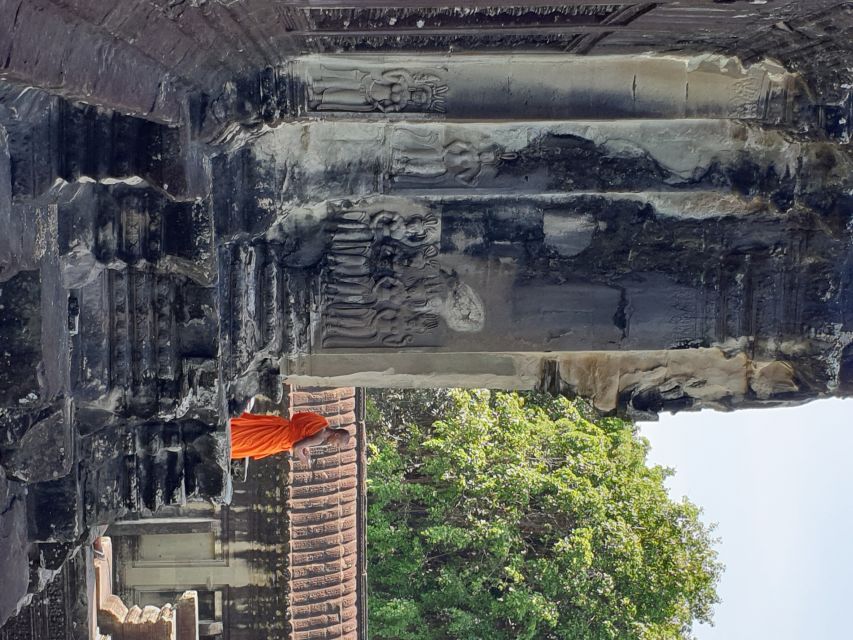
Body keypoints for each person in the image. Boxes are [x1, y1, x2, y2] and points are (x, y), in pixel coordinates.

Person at [230, 410, 351, 466]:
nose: (333, 446)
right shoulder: (320, 438)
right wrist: (303, 459)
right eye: (336, 444)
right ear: (337, 435)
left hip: (281, 425)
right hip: (279, 437)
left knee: (251, 429)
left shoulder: (322, 421)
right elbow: (296, 446)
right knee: (247, 441)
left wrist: (305, 447)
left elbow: (298, 419)